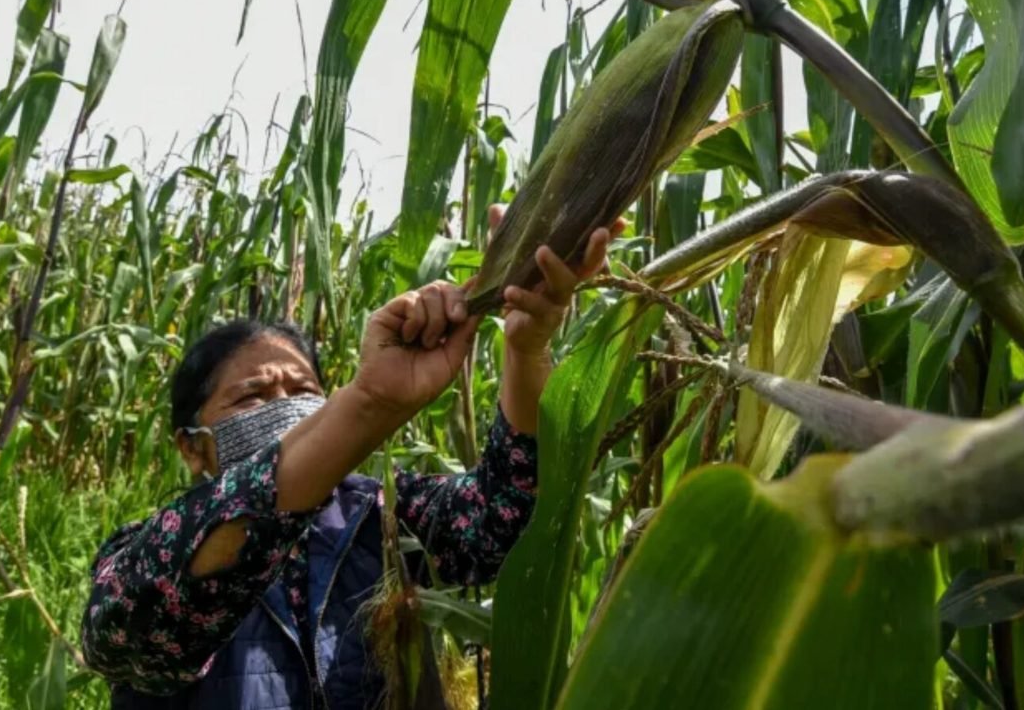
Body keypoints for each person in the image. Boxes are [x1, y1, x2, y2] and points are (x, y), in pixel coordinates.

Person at [80, 214, 620, 709]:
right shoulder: (148, 555)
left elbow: (506, 519)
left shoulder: (378, 515)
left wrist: (525, 350)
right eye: (252, 397)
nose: (285, 407)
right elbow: (135, 632)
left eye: (303, 390)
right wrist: (369, 406)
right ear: (191, 445)